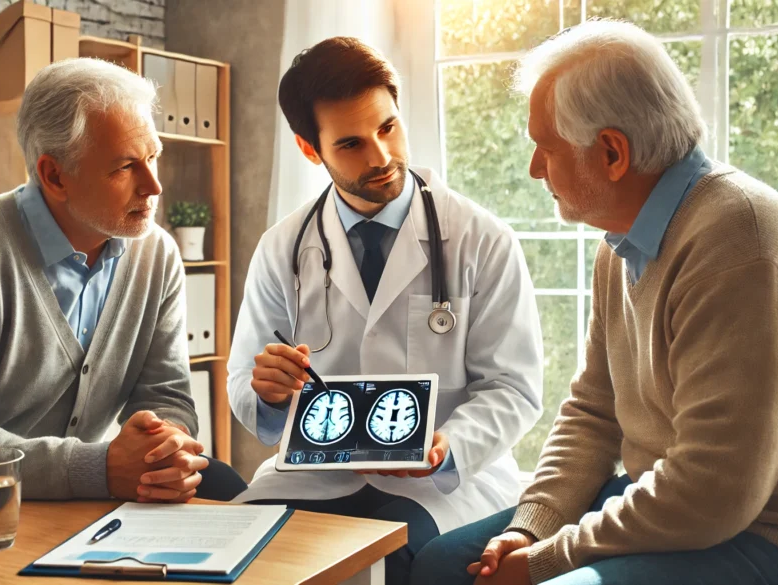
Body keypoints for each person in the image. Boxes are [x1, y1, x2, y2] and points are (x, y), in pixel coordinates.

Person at [409, 19, 778, 585]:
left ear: (612, 152)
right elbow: (593, 413)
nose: (535, 168)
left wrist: (550, 559)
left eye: (545, 148)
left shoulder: (742, 243)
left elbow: (714, 489)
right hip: (687, 508)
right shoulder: (619, 242)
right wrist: (533, 526)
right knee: (441, 567)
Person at [223, 37, 543, 585]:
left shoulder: (480, 239)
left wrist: (447, 448)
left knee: (384, 562)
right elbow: (245, 386)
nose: (380, 157)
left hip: (439, 485)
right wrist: (269, 393)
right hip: (311, 477)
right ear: (309, 149)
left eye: (388, 127)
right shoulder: (283, 248)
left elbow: (515, 388)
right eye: (350, 143)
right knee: (238, 559)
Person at [0, 58, 244, 506]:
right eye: (126, 166)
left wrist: (163, 447)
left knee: (223, 485)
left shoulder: (157, 253)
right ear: (55, 175)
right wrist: (99, 468)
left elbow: (165, 394)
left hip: (60, 496)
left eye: (154, 156)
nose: (154, 186)